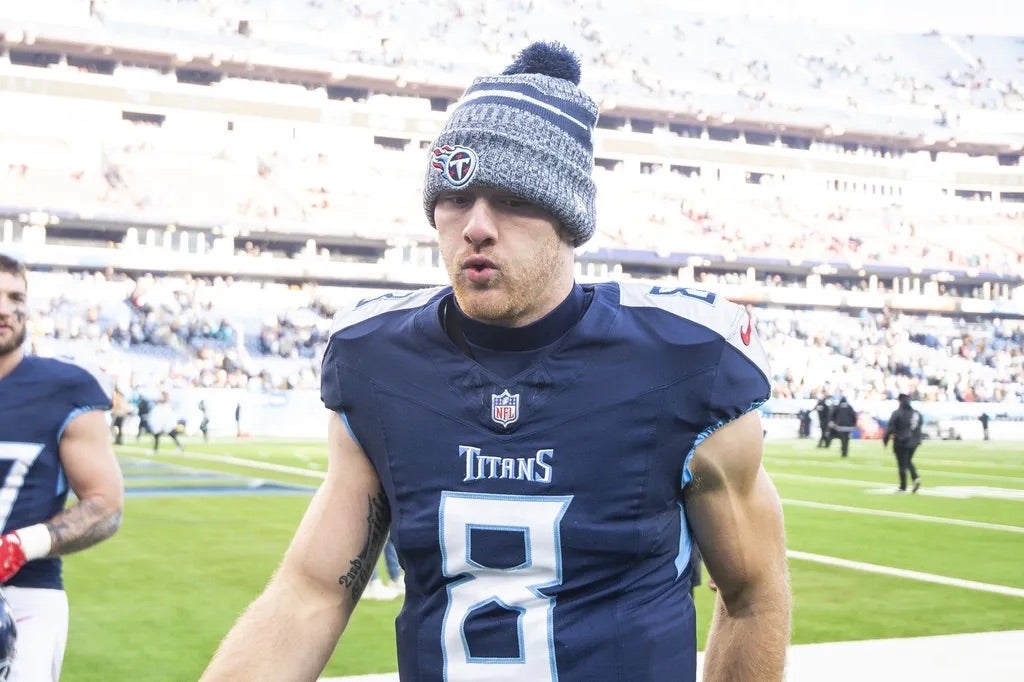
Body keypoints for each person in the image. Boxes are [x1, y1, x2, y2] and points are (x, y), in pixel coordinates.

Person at [201, 42, 790, 682]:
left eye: (512, 197)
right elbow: (312, 591)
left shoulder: (685, 359)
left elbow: (752, 594)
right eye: (455, 197)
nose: (476, 226)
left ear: (569, 217)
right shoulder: (377, 362)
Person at [0, 253, 124, 680]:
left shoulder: (64, 387)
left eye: (15, 296)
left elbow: (105, 506)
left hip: (25, 592)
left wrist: (20, 546)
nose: (3, 308)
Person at [883, 394, 924, 493]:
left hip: (901, 441)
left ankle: (903, 486)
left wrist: (885, 440)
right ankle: (915, 478)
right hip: (914, 442)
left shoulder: (897, 413)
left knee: (902, 464)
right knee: (908, 461)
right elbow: (920, 425)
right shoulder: (916, 413)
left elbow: (890, 427)